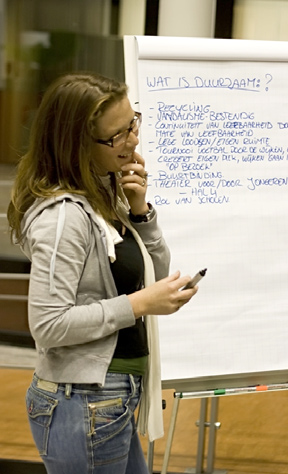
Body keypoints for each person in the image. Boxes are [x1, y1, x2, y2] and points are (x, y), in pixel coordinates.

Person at [7, 72, 198, 474]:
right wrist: (137, 305)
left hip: (108, 399)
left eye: (133, 123)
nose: (133, 140)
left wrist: (141, 212)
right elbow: (48, 323)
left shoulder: (103, 194)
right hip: (84, 400)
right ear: (77, 144)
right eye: (118, 135)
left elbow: (151, 276)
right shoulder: (64, 217)